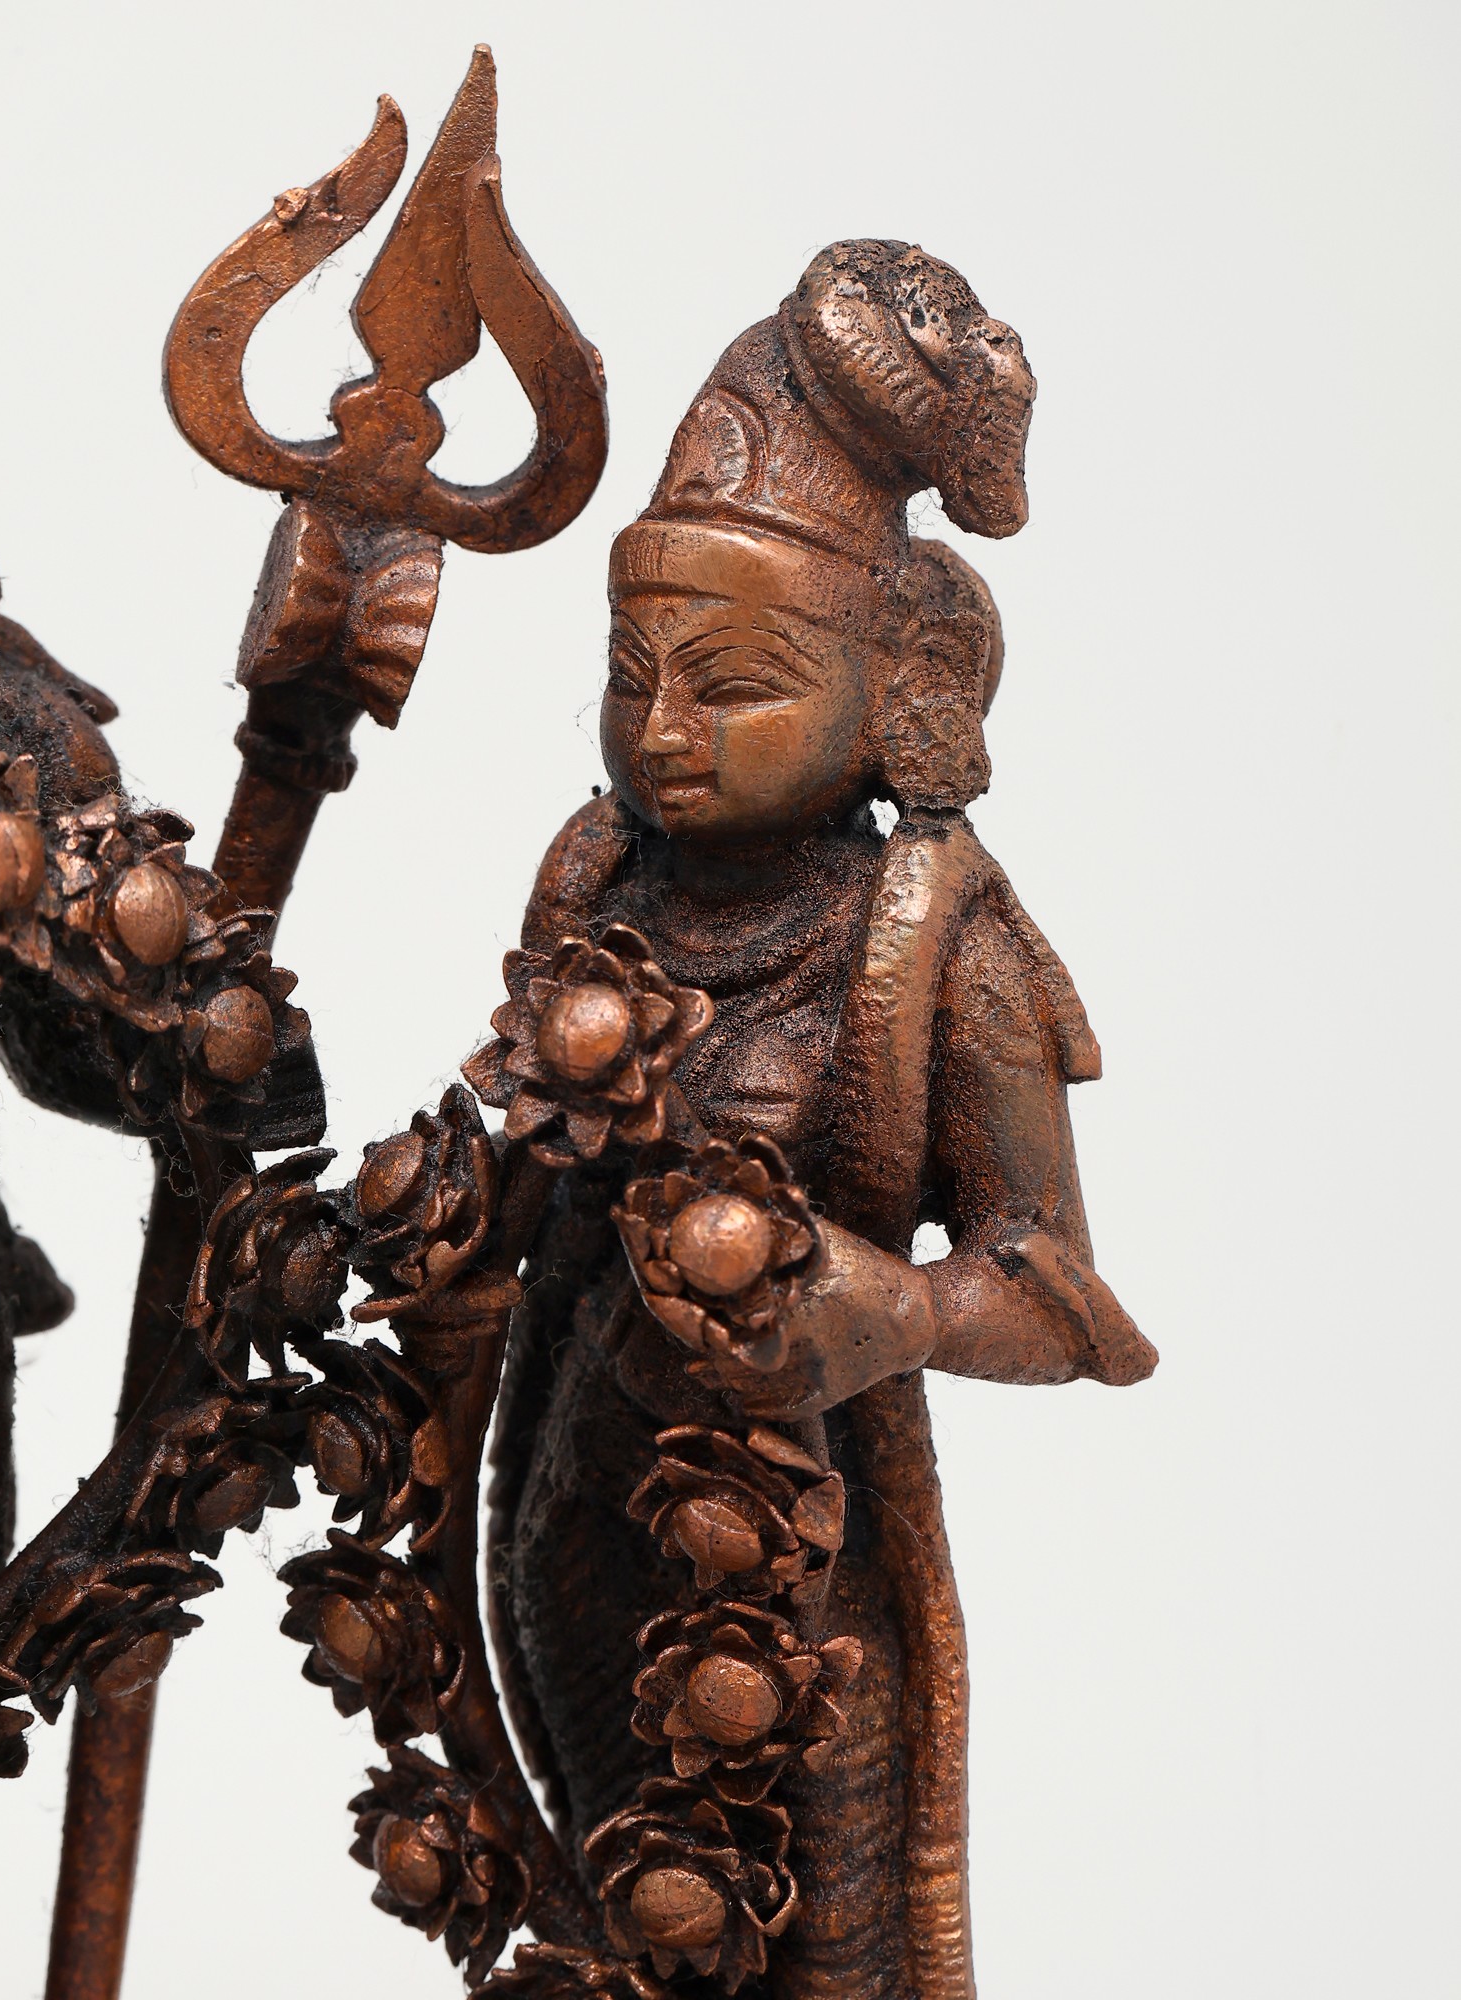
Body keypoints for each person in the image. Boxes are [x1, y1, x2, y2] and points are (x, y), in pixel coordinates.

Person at [485, 239, 1157, 1999]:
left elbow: (1068, 1299)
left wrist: (908, 1309)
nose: (663, 732)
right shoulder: (596, 881)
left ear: (899, 689)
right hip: (567, 1507)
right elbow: (522, 1181)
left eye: (734, 686)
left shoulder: (930, 942)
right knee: (604, 1902)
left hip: (804, 1564)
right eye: (633, 675)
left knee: (818, 1942)